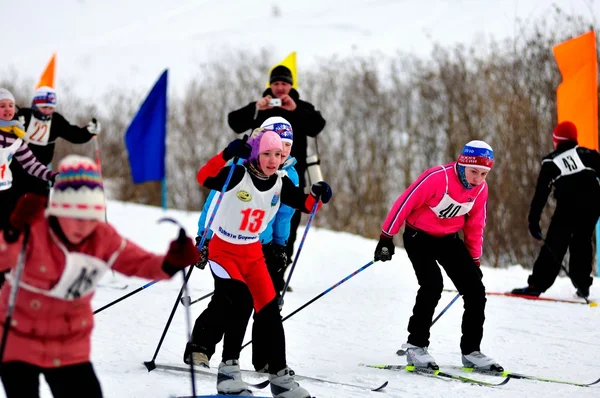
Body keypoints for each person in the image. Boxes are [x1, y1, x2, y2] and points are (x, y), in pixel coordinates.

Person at [0, 155, 199, 398]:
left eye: (91, 216)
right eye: (74, 215)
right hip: (18, 338)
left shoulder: (102, 237)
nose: (83, 226)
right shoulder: (35, 228)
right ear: (58, 209)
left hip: (69, 344)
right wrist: (11, 231)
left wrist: (171, 263)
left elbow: (139, 263)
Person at [196, 130, 332, 397]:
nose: (273, 160)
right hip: (223, 250)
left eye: (279, 155)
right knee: (241, 300)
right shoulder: (238, 174)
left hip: (252, 252)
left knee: (270, 311)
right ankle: (228, 371)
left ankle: (280, 378)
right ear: (256, 154)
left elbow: (304, 204)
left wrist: (318, 193)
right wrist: (226, 154)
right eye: (267, 154)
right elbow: (204, 178)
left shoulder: (281, 181)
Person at [374, 140, 503, 372]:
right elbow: (404, 202)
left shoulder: (481, 189)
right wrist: (386, 237)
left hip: (449, 240)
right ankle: (416, 345)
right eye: (474, 171)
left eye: (484, 173)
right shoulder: (437, 177)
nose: (477, 178)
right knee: (432, 284)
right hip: (418, 237)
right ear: (462, 164)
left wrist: (474, 259)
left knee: (475, 290)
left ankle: (471, 351)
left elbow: (475, 225)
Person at [184, 117, 298, 371]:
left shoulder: (289, 173)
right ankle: (200, 348)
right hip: (229, 243)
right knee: (228, 300)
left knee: (267, 305)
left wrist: (281, 246)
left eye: (287, 144)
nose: (283, 149)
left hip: (263, 245)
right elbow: (216, 201)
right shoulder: (243, 166)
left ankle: (267, 359)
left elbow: (285, 214)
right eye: (276, 142)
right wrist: (204, 236)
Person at [227, 65, 326, 274]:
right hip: (259, 175)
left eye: (284, 83)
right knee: (261, 217)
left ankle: (280, 267)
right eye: (276, 83)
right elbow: (234, 122)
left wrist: (296, 110)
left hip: (292, 173)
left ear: (291, 85)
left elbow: (318, 125)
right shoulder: (262, 107)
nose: (280, 88)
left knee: (287, 218)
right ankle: (255, 264)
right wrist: (255, 108)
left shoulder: (300, 107)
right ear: (270, 85)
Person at [512, 121, 600, 299]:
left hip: (568, 206)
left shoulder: (551, 161)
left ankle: (537, 285)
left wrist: (533, 221)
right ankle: (582, 284)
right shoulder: (589, 154)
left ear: (557, 140)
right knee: (582, 241)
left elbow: (540, 195)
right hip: (592, 204)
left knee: (555, 243)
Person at [12, 86, 100, 198]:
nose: (47, 111)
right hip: (17, 168)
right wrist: (15, 123)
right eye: (44, 107)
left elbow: (74, 135)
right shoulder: (24, 115)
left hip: (41, 171)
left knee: (39, 207)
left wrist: (88, 131)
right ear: (35, 104)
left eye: (51, 108)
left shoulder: (56, 121)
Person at [0, 88, 58, 255]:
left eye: (10, 105)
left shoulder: (16, 138)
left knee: (8, 237)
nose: (7, 109)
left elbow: (31, 164)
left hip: (6, 193)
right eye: (2, 106)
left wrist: (53, 175)